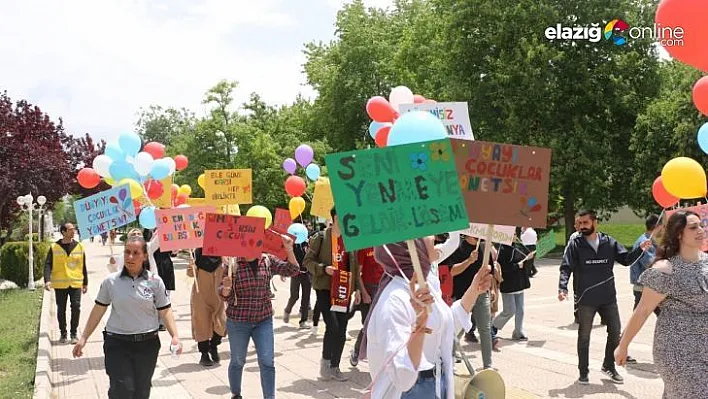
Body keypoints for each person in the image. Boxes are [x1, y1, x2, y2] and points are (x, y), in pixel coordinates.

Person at [362, 237, 494, 398]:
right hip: (411, 392)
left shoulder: (423, 286)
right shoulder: (394, 300)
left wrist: (475, 289)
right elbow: (402, 376)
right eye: (426, 233)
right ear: (411, 246)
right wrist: (420, 324)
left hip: (437, 384)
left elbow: (446, 326)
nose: (434, 236)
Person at [72, 236, 182, 399]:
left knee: (142, 391)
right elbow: (98, 310)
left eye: (136, 253)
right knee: (122, 390)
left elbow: (165, 310)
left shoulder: (155, 281)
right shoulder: (111, 282)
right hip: (118, 344)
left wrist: (175, 336)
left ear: (144, 256)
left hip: (147, 344)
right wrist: (83, 337)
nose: (130, 257)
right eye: (127, 252)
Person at [614, 211, 708, 398]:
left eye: (701, 225)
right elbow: (643, 311)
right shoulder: (665, 270)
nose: (700, 230)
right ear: (678, 233)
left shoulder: (706, 262)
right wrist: (623, 345)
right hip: (677, 351)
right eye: (693, 227)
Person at [558, 210, 650, 385]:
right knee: (584, 336)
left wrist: (640, 249)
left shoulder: (609, 242)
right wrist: (562, 287)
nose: (582, 226)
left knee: (615, 332)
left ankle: (609, 366)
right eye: (579, 223)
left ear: (595, 222)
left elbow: (626, 259)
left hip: (608, 297)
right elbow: (566, 266)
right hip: (586, 298)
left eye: (585, 223)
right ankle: (583, 372)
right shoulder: (575, 244)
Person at [219, 234, 300, 399]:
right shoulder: (232, 264)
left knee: (267, 362)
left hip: (263, 320)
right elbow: (223, 294)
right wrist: (226, 288)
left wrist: (289, 250)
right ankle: (236, 394)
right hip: (238, 321)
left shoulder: (267, 260)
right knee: (238, 361)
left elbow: (293, 270)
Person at [303, 207, 361, 381]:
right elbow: (307, 261)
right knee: (333, 326)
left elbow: (355, 266)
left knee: (342, 330)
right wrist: (323, 269)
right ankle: (326, 362)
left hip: (344, 290)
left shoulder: (350, 239)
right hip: (325, 289)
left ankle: (335, 367)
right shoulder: (321, 237)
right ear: (336, 217)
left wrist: (357, 288)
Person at [447, 235, 496, 369]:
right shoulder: (457, 246)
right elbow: (452, 271)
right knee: (458, 329)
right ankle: (449, 359)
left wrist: (491, 288)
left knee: (485, 329)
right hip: (463, 296)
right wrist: (469, 261)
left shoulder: (484, 247)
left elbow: (490, 271)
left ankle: (488, 365)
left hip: (481, 294)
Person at [44, 222, 88, 344]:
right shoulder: (54, 247)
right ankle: (63, 333)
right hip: (60, 284)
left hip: (75, 283)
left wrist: (85, 283)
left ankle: (73, 334)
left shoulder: (79, 246)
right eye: (70, 229)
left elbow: (83, 266)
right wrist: (47, 280)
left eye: (74, 229)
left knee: (76, 307)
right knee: (61, 309)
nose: (73, 231)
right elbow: (48, 264)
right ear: (63, 232)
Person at [188, 248, 227, 367]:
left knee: (223, 323)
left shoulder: (225, 253)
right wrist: (192, 265)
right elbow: (190, 273)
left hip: (220, 295)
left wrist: (228, 262)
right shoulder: (198, 253)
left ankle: (214, 345)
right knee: (202, 324)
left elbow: (232, 272)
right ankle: (204, 354)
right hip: (201, 295)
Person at [349, 246, 384, 367]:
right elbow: (358, 273)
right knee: (368, 324)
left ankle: (378, 356)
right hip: (368, 289)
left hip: (383, 288)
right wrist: (363, 292)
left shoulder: (387, 247)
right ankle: (357, 351)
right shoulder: (364, 248)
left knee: (381, 325)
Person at [492, 242, 532, 343]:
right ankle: (493, 327)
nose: (514, 234)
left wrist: (529, 258)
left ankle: (518, 332)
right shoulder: (503, 249)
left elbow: (525, 261)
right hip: (508, 283)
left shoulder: (518, 246)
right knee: (509, 310)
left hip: (519, 282)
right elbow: (503, 268)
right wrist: (517, 266)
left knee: (520, 310)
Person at [283, 237, 312, 329]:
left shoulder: (307, 242)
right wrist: (283, 272)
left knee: (306, 297)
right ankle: (287, 310)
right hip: (295, 273)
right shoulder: (292, 243)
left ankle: (303, 321)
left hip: (306, 273)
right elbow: (287, 257)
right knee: (295, 296)